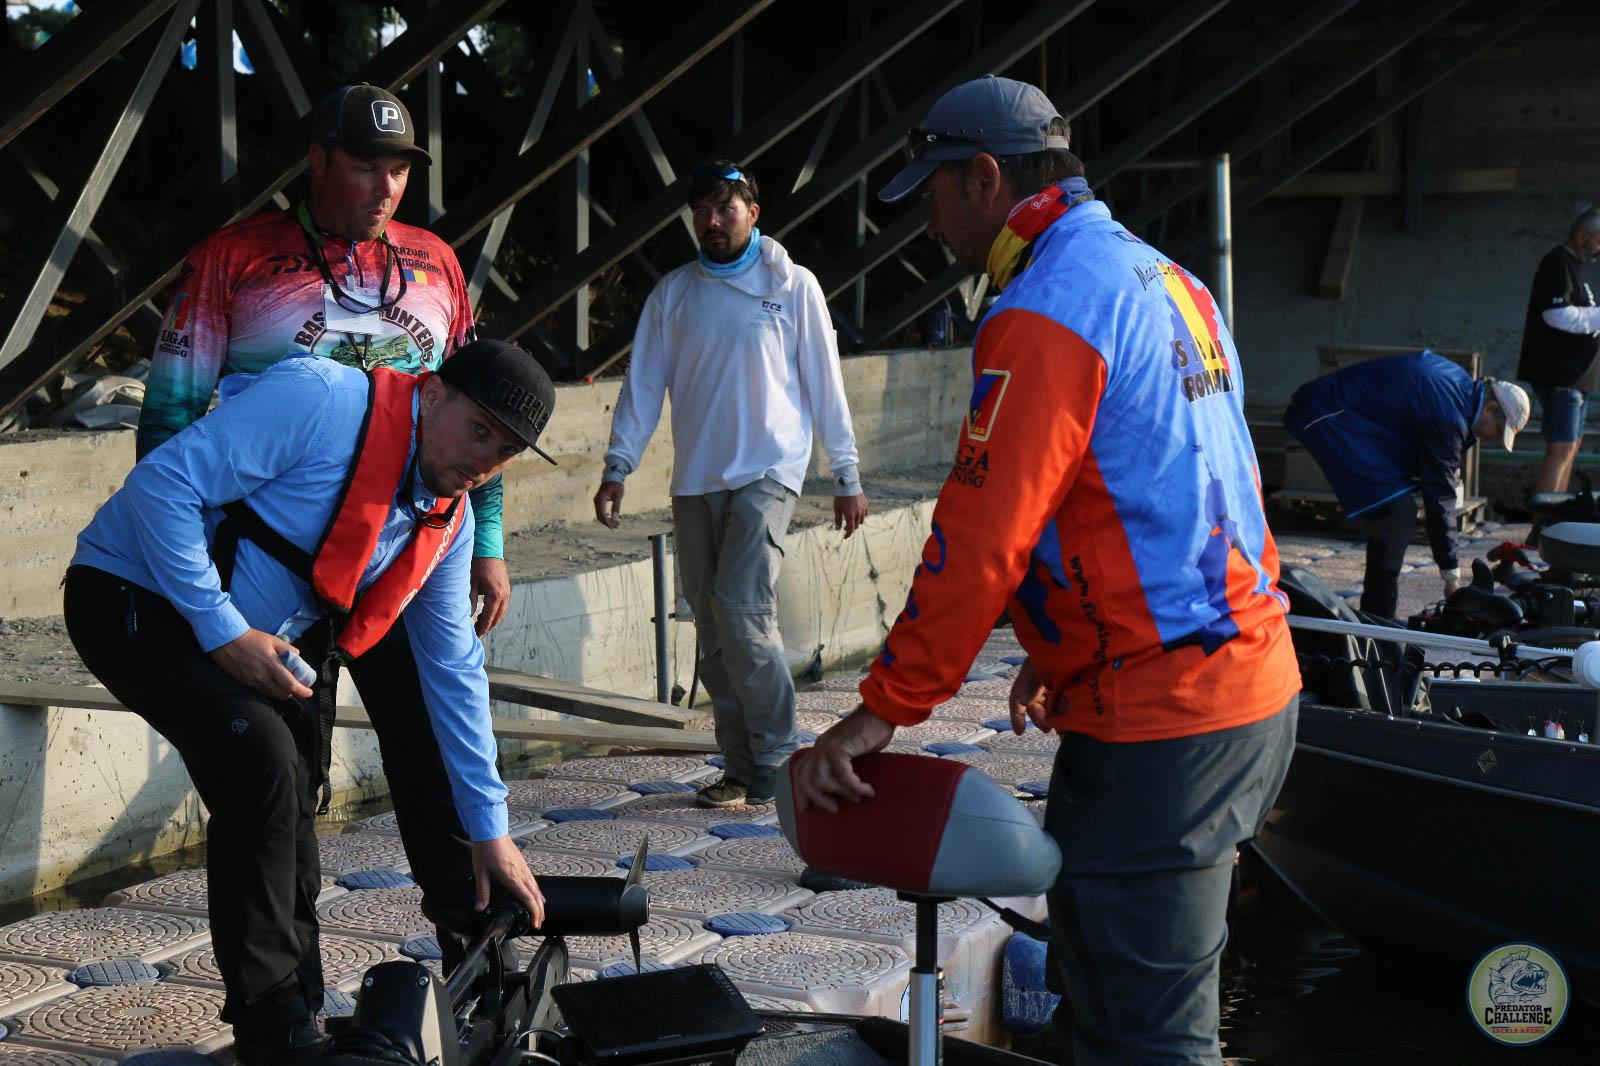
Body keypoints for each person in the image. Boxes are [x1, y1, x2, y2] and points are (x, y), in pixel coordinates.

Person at [791, 76, 1300, 1065]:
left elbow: (978, 537)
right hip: (1245, 689)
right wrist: (1057, 635)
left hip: (1168, 724)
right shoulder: (1165, 279)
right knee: (1100, 996)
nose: (930, 226)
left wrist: (884, 707)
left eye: (933, 197)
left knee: (1146, 1040)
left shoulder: (1043, 309)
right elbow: (1193, 483)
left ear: (983, 178)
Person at [64, 340, 553, 1063]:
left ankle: (301, 1007)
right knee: (260, 762)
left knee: (296, 785)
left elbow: (453, 674)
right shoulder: (321, 402)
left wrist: (493, 831)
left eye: (505, 450)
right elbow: (159, 487)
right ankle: (271, 1031)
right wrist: (223, 630)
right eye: (479, 429)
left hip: (246, 631)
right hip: (132, 595)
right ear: (435, 393)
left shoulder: (447, 523)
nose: (484, 459)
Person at [136, 83, 520, 636]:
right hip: (268, 558)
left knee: (430, 717)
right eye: (366, 167)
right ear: (318, 160)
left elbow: (482, 417)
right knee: (277, 717)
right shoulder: (230, 258)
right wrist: (182, 564)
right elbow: (171, 417)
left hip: (407, 553)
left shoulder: (437, 263)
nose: (385, 190)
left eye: (399, 171)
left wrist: (487, 542)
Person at [593, 161, 868, 809]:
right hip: (696, 480)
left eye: (725, 208)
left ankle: (776, 754)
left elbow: (825, 383)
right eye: (702, 210)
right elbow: (643, 389)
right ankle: (741, 767)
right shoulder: (673, 295)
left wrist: (847, 473)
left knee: (743, 614)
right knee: (712, 633)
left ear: (754, 212)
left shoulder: (792, 286)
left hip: (770, 471)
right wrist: (617, 465)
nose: (711, 221)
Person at [1284, 352, 1529, 619]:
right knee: (1395, 514)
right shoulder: (1449, 416)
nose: (1493, 439)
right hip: (1328, 413)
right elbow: (1440, 493)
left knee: (1396, 511)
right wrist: (1451, 575)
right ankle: (1378, 619)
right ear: (1490, 408)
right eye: (1497, 430)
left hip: (1345, 413)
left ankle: (1376, 614)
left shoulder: (1459, 387)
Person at [1517, 208, 1600, 494]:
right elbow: (1555, 314)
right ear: (1582, 236)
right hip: (1561, 375)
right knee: (1561, 446)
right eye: (1599, 240)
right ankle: (1543, 525)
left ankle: (1555, 517)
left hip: (1577, 376)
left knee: (1571, 446)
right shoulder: (1557, 263)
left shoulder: (1573, 268)